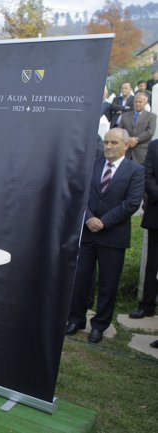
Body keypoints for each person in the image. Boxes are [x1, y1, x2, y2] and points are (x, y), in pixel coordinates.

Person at [66, 128, 144, 343]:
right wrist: (89, 218)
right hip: (87, 233)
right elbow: (79, 194)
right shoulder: (93, 165)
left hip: (113, 236)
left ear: (126, 145)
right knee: (80, 279)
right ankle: (76, 319)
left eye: (114, 143)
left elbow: (132, 203)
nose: (108, 146)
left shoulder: (135, 170)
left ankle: (100, 325)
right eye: (107, 142)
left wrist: (104, 221)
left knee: (108, 284)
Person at [129, 137, 158, 320]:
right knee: (153, 264)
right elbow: (147, 175)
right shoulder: (155, 146)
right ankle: (146, 305)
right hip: (157, 213)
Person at [119, 91, 156, 165]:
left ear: (145, 103)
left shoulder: (151, 116)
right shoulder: (125, 115)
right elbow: (120, 130)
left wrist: (134, 140)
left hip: (142, 153)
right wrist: (127, 139)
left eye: (140, 102)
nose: (137, 104)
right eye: (136, 102)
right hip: (126, 152)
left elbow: (150, 132)